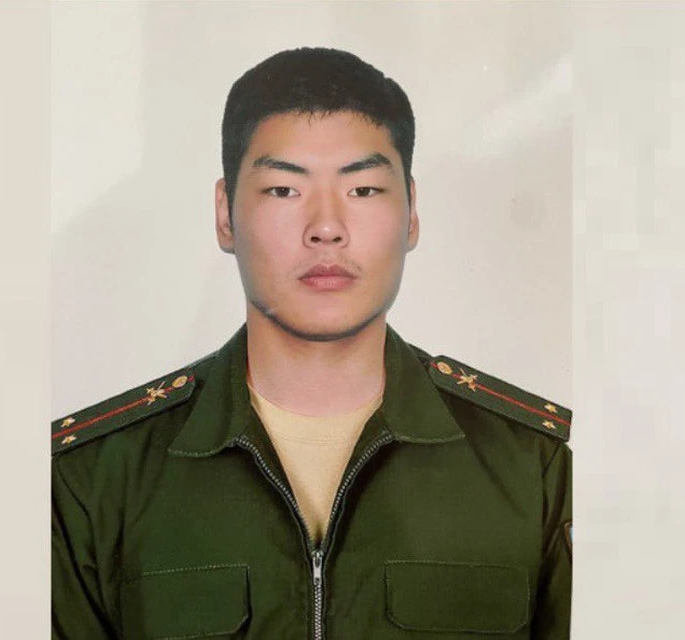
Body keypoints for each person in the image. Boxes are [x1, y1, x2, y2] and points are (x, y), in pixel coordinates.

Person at [52, 47, 572, 639]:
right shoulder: (93, 481)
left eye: (364, 190)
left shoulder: (534, 469)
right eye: (283, 190)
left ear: (411, 213)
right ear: (225, 214)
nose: (326, 227)